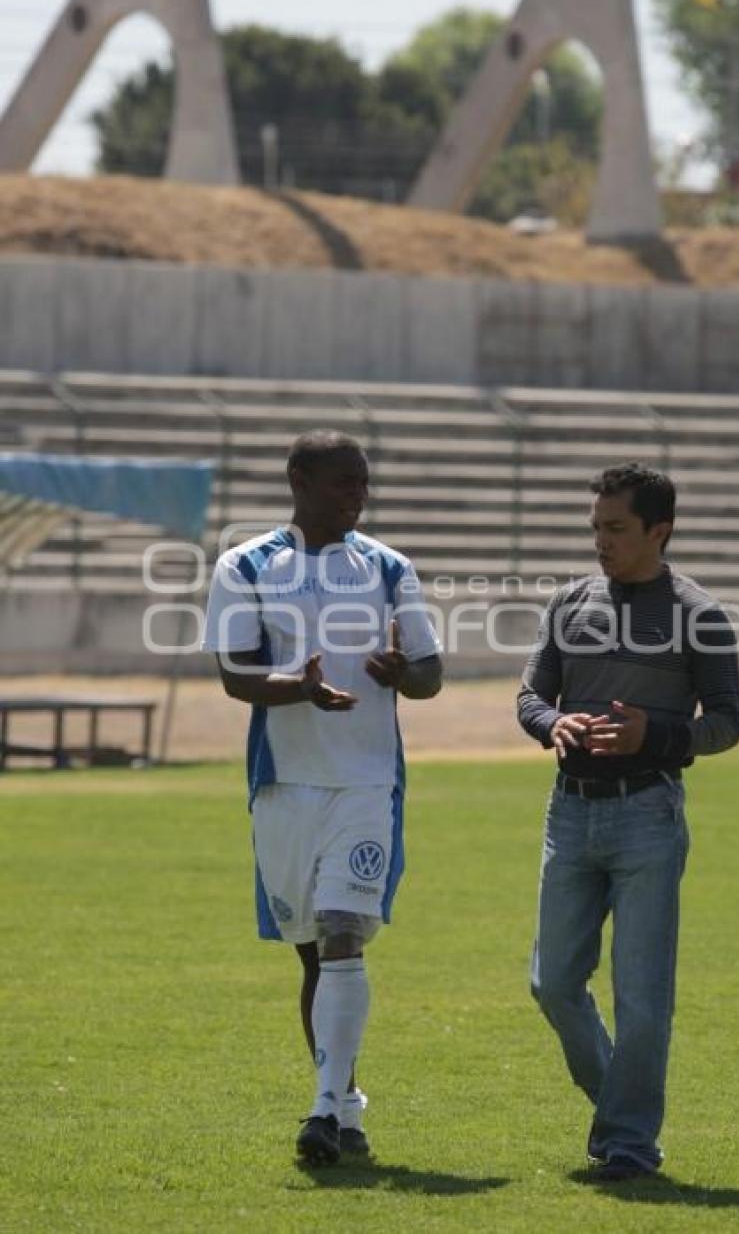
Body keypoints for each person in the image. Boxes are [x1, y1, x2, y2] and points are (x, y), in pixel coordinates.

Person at [202, 430, 442, 1166]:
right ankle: (346, 1105)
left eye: (364, 484)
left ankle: (321, 1111)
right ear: (299, 479)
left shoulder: (390, 567)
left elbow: (431, 675)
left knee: (344, 935)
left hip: (366, 783)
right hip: (283, 784)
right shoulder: (245, 564)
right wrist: (298, 687)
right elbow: (237, 676)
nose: (358, 497)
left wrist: (404, 671)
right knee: (313, 956)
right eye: (345, 483)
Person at [517, 462, 739, 1181]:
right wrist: (552, 722)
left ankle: (628, 1141)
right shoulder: (569, 602)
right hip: (569, 812)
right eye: (595, 528)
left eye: (615, 529)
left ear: (659, 531)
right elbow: (529, 695)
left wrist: (658, 733)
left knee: (642, 994)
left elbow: (729, 723)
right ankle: (621, 1102)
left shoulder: (699, 613)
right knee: (552, 983)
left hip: (649, 812)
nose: (601, 542)